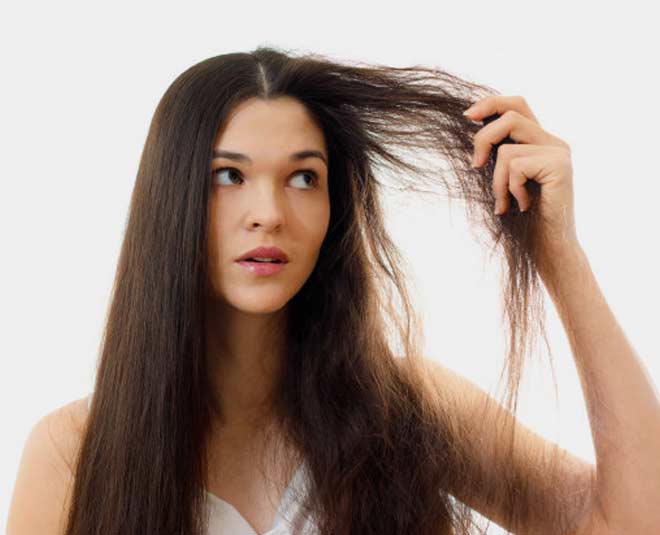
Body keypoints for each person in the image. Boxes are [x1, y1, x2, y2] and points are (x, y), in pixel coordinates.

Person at [7, 45, 659, 535]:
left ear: (335, 209)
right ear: (170, 200)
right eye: (228, 176)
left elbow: (633, 521)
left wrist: (559, 255)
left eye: (303, 178)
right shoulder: (73, 453)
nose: (268, 213)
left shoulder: (410, 411)